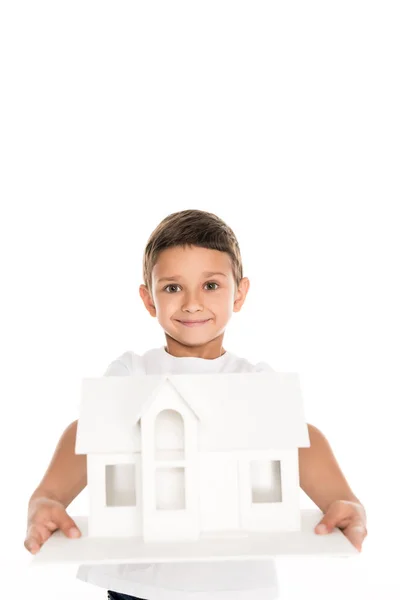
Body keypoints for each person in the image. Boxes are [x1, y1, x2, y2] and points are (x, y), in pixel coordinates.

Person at [24, 209, 367, 600]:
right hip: (139, 582)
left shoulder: (254, 381)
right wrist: (48, 497)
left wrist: (342, 500)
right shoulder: (132, 372)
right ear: (148, 299)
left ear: (239, 293)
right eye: (172, 288)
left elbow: (296, 440)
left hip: (235, 582)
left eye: (210, 285)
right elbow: (92, 433)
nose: (191, 303)